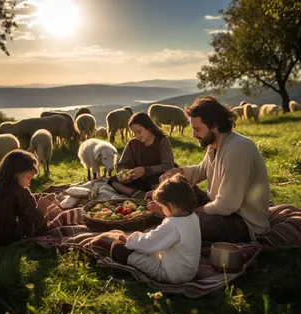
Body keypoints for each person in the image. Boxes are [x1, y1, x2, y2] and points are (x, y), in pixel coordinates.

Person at [147, 96, 270, 242]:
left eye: (197, 129)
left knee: (183, 224)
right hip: (223, 210)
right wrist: (178, 173)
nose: (193, 135)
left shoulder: (237, 149)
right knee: (183, 189)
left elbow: (227, 205)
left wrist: (182, 213)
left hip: (241, 221)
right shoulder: (215, 144)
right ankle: (173, 210)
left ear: (215, 125)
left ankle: (171, 215)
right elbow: (202, 170)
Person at [111, 173, 201, 284]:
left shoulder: (173, 225)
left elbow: (148, 243)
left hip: (172, 274)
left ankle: (124, 250)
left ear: (170, 206)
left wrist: (128, 240)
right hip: (189, 271)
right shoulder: (193, 217)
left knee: (118, 248)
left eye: (162, 207)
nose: (162, 210)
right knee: (148, 240)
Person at [0, 150, 55, 246]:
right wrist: (42, 209)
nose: (29, 184)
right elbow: (31, 215)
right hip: (9, 236)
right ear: (16, 173)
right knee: (39, 219)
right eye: (28, 178)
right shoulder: (19, 190)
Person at [108, 112, 175, 198]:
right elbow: (122, 164)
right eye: (134, 133)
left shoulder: (163, 141)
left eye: (139, 132)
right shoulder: (132, 143)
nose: (137, 136)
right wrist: (126, 174)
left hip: (157, 176)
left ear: (148, 127)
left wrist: (146, 170)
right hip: (138, 178)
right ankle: (136, 194)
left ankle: (153, 190)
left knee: (168, 181)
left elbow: (168, 165)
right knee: (113, 181)